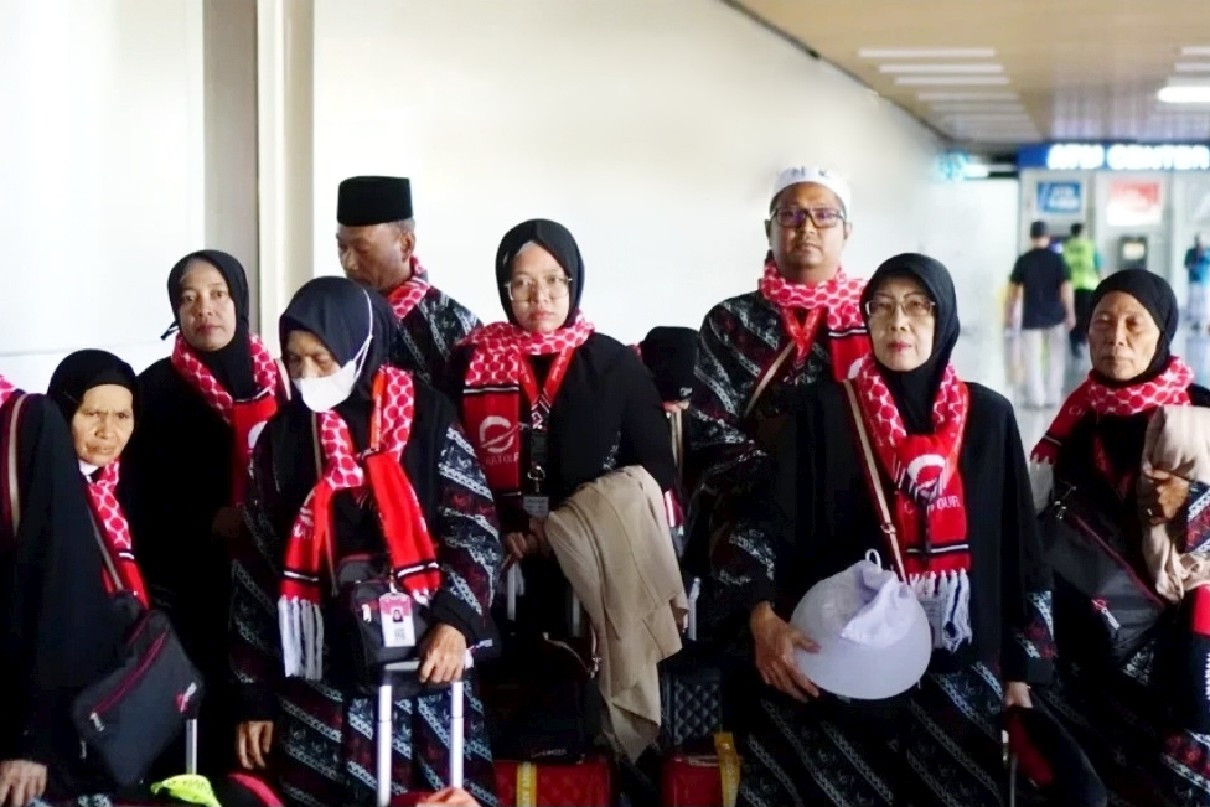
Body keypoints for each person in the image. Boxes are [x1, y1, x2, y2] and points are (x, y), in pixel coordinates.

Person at [720, 253, 1054, 807]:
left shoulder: (989, 419)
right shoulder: (823, 413)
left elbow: (1022, 550)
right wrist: (761, 617)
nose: (899, 322)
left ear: (944, 319)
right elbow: (764, 522)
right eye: (883, 307)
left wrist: (1022, 675)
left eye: (918, 307)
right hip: (843, 663)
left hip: (959, 675)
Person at [230, 277, 502, 807]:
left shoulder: (425, 416)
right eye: (295, 361)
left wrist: (456, 624)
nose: (308, 375)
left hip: (424, 667)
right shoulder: (284, 439)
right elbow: (257, 571)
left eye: (322, 359)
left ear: (359, 346)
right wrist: (253, 695)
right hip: (321, 683)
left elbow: (474, 526)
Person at [1029, 269, 1210, 806]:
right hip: (1098, 637)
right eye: (1103, 322)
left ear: (1163, 332)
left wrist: (1194, 501)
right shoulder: (1074, 424)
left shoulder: (1200, 411)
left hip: (1186, 622)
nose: (1116, 337)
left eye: (1135, 324)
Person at [445, 218, 676, 630]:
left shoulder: (613, 365)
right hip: (496, 558)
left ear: (574, 282)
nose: (541, 297)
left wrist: (564, 528)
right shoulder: (470, 363)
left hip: (594, 557)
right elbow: (448, 466)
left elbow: (655, 470)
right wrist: (501, 526)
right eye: (523, 284)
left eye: (554, 280)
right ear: (504, 288)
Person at [121, 249, 288, 776]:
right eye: (189, 299)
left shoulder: (277, 380)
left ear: (240, 302)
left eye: (218, 295)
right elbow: (133, 498)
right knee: (201, 742)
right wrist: (206, 522)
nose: (204, 309)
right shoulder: (152, 390)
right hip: (192, 591)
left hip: (273, 584)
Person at [687, 166, 869, 620]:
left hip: (851, 503)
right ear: (768, 229)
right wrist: (785, 485)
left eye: (823, 216)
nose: (807, 228)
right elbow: (710, 428)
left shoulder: (872, 318)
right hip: (751, 503)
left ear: (847, 231)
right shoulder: (730, 321)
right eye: (791, 215)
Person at [0, 373, 133, 806]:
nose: (107, 430)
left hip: (19, 726)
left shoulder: (26, 423)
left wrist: (32, 739)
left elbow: (59, 587)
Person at [336, 175, 481, 385]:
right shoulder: (333, 316)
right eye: (342, 247)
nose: (348, 263)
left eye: (362, 249)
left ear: (406, 245)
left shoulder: (455, 327)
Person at [1006, 220, 1075, 409]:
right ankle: (1052, 397)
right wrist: (1070, 313)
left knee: (1032, 359)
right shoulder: (1058, 259)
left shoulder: (1024, 260)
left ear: (1031, 237)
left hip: (1031, 317)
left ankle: (1036, 398)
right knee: (1056, 358)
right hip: (1056, 316)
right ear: (1048, 237)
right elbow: (1066, 289)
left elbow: (1013, 291)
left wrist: (1010, 313)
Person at [1062, 222, 1101, 358]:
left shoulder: (1066, 248)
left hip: (1071, 287)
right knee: (1087, 316)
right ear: (1083, 232)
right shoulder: (1091, 247)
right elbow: (1099, 267)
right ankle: (1084, 341)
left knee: (1072, 315)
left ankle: (1074, 343)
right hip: (1089, 286)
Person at [1185, 234, 1209, 332]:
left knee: (1205, 302)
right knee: (1194, 301)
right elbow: (1186, 265)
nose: (1199, 244)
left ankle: (1204, 323)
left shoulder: (1208, 251)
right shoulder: (1190, 252)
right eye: (1197, 241)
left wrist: (1203, 255)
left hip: (1205, 281)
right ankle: (1194, 323)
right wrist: (1194, 262)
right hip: (1193, 281)